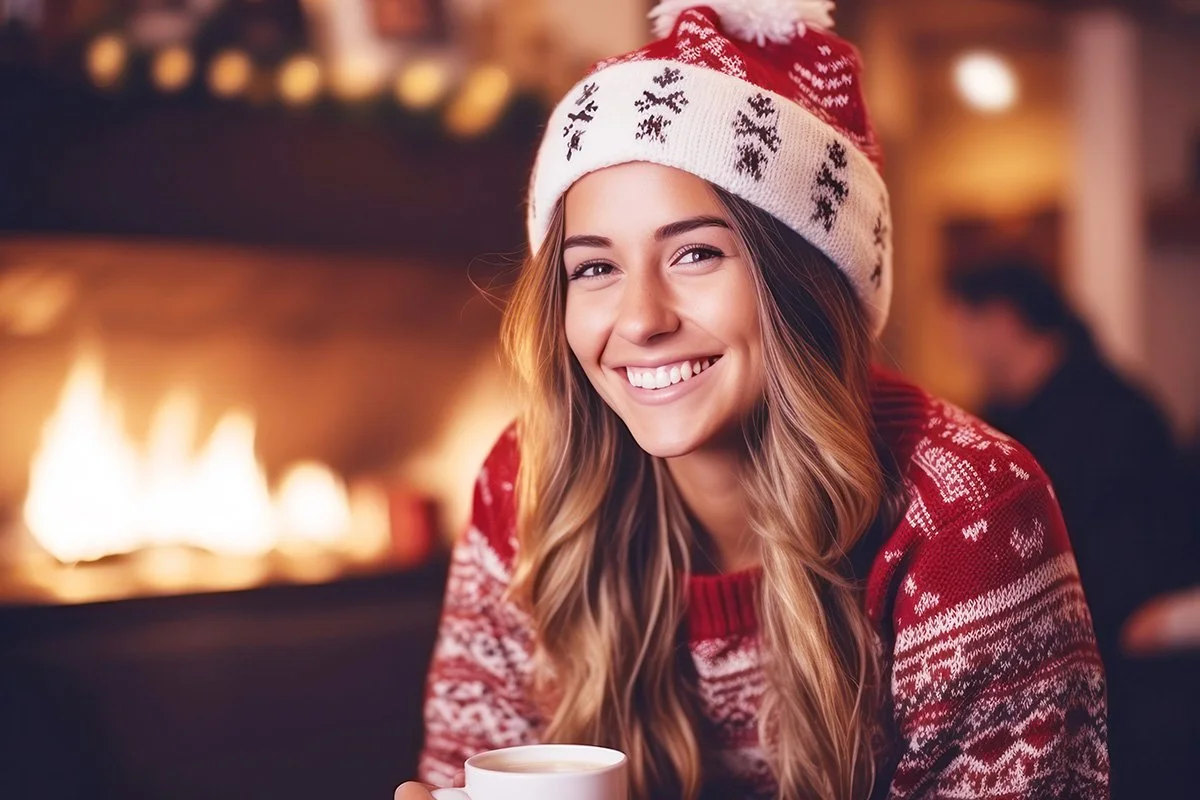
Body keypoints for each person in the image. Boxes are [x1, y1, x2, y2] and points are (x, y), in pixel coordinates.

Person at [398, 3, 1108, 799]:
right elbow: (472, 763)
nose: (640, 320)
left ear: (800, 281)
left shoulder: (969, 516)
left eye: (697, 253)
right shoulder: (526, 482)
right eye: (594, 268)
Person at [944, 255, 1197, 796]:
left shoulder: (1114, 414)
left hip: (1123, 691)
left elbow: (1128, 583)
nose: (957, 347)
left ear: (1002, 320)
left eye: (963, 327)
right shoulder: (997, 418)